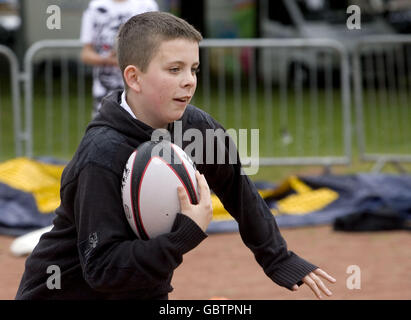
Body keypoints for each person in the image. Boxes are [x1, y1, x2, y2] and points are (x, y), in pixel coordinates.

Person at [15, 12, 336, 300]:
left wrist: (278, 258)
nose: (189, 80)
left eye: (194, 68)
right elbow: (103, 269)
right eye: (174, 69)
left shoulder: (194, 127)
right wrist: (185, 234)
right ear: (133, 77)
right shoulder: (101, 155)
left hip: (142, 288)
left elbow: (239, 189)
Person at [80, 0, 158, 118]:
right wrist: (107, 60)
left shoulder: (147, 5)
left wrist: (132, 58)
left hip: (141, 91)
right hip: (104, 94)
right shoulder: (95, 7)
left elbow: (157, 48)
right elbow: (86, 54)